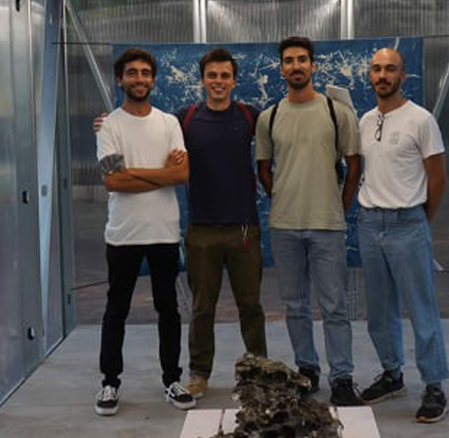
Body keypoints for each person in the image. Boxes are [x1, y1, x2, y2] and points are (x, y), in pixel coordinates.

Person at [255, 36, 363, 406]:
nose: (296, 66)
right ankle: (307, 370)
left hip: (327, 226)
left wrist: (339, 208)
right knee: (296, 306)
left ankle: (342, 377)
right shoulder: (269, 117)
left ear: (313, 66)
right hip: (284, 227)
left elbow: (354, 165)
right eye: (289, 60)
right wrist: (284, 198)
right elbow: (263, 169)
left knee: (334, 306)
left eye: (302, 59)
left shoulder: (337, 112)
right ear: (281, 68)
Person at [94, 47, 195, 416]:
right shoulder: (109, 126)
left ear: (153, 79)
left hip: (163, 233)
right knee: (116, 310)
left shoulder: (169, 123)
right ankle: (109, 383)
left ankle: (172, 380)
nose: (139, 79)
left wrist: (134, 172)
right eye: (132, 73)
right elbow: (112, 181)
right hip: (123, 234)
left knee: (168, 310)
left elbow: (181, 175)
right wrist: (160, 174)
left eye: (145, 73)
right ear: (120, 79)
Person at [355, 48, 449, 423]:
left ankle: (434, 385)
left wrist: (419, 220)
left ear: (402, 75)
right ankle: (392, 374)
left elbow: (438, 178)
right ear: (370, 75)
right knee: (379, 311)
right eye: (377, 69)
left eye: (390, 69)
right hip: (369, 223)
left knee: (421, 310)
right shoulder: (365, 121)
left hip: (408, 224)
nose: (383, 75)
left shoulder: (421, 120)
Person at [175, 48, 268, 398]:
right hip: (201, 230)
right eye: (212, 75)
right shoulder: (184, 119)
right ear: (202, 80)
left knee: (251, 306)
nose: (218, 81)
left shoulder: (249, 116)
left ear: (233, 81)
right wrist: (109, 124)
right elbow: (145, 131)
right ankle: (199, 372)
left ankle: (258, 371)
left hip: (244, 229)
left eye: (224, 76)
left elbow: (292, 132)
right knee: (202, 307)